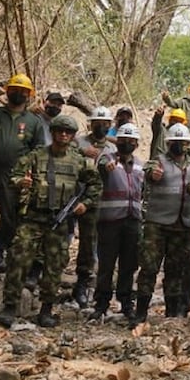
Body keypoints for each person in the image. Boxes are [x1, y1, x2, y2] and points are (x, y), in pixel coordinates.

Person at [0, 114, 98, 328]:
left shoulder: (79, 161)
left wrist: (85, 204)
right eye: (59, 131)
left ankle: (46, 310)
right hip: (33, 218)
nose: (63, 135)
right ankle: (9, 306)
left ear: (72, 137)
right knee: (18, 260)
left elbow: (95, 185)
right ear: (52, 133)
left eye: (68, 132)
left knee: (54, 266)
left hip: (59, 221)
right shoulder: (35, 157)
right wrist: (21, 182)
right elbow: (13, 176)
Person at [0, 74, 48, 273]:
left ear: (29, 95)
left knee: (10, 218)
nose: (19, 93)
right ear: (7, 91)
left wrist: (29, 173)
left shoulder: (34, 121)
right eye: (15, 89)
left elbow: (39, 149)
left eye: (23, 91)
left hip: (14, 177)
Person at [132, 123, 190, 323]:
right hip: (157, 225)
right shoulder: (159, 161)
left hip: (183, 225)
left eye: (182, 143)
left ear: (187, 144)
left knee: (176, 270)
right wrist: (153, 175)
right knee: (149, 268)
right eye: (175, 142)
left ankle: (172, 313)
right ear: (169, 143)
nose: (179, 145)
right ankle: (141, 312)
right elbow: (147, 170)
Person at [88, 123, 144, 323]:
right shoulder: (108, 158)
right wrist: (106, 167)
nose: (127, 143)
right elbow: (102, 166)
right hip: (110, 221)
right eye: (123, 140)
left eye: (131, 141)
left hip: (132, 221)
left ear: (136, 144)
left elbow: (143, 190)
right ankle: (101, 304)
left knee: (129, 264)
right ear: (117, 141)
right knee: (106, 264)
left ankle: (126, 303)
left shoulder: (139, 165)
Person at [72, 106, 117, 308]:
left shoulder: (113, 149)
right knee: (76, 241)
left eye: (106, 124)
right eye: (98, 123)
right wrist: (83, 152)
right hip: (75, 195)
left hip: (101, 201)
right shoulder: (78, 142)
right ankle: (78, 282)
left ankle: (92, 284)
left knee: (97, 243)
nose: (102, 126)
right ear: (91, 124)